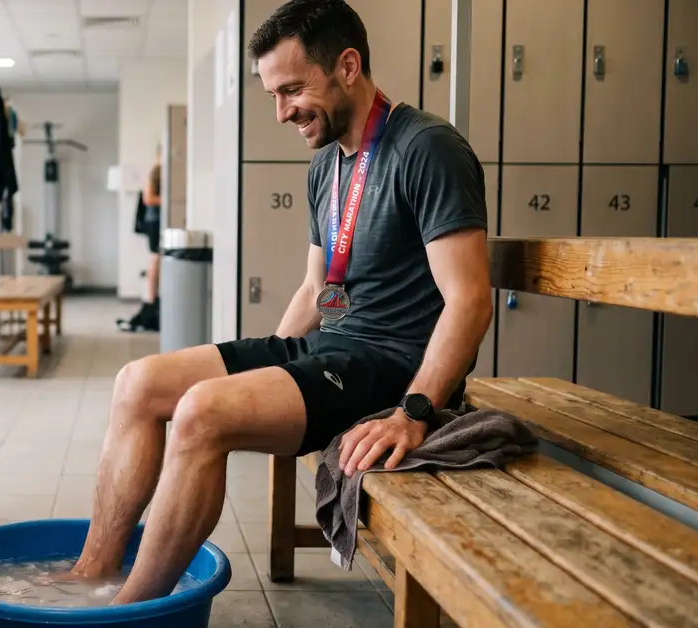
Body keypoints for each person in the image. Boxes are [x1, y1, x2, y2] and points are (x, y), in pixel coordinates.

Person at [66, 0, 493, 605]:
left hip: (389, 364)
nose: (281, 111)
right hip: (329, 348)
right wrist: (276, 368)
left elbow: (470, 300)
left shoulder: (427, 149)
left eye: (292, 89)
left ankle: (130, 610)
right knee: (138, 381)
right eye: (273, 93)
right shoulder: (325, 168)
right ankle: (92, 574)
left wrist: (415, 410)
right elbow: (316, 288)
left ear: (348, 66)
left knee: (201, 412)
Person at [118, 147, 164, 332]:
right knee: (155, 259)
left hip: (161, 221)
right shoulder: (156, 172)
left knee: (158, 261)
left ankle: (153, 300)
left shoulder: (168, 172)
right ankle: (151, 300)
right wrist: (169, 199)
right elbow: (149, 198)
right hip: (155, 222)